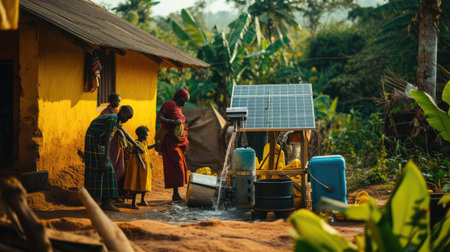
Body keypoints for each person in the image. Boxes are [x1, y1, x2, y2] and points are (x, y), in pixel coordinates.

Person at [84, 105, 134, 211]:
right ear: (123, 113)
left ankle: (100, 201)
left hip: (97, 143)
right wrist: (106, 158)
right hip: (94, 143)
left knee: (99, 170)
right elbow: (107, 139)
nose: (127, 120)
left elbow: (123, 133)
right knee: (108, 169)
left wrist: (135, 144)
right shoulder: (113, 119)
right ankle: (106, 203)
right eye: (127, 117)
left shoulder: (115, 120)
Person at [157, 88, 190, 201]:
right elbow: (159, 117)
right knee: (176, 166)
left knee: (181, 167)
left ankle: (176, 193)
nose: (185, 103)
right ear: (179, 97)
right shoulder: (169, 104)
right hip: (170, 142)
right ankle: (175, 193)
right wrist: (171, 122)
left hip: (178, 142)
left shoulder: (179, 109)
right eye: (184, 100)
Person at [100, 93, 128, 200]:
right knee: (111, 168)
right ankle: (110, 194)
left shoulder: (117, 112)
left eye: (119, 101)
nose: (118, 103)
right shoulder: (106, 113)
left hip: (117, 143)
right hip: (109, 143)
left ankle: (116, 192)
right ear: (110, 100)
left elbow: (120, 128)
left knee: (119, 167)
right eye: (116, 101)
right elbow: (107, 132)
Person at [123, 126, 157, 209]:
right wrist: (142, 164)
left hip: (144, 166)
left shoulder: (144, 142)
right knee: (135, 182)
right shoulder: (136, 143)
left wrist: (155, 145)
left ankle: (142, 199)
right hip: (137, 166)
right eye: (146, 135)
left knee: (144, 182)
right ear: (141, 135)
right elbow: (138, 154)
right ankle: (133, 203)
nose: (147, 136)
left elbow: (146, 149)